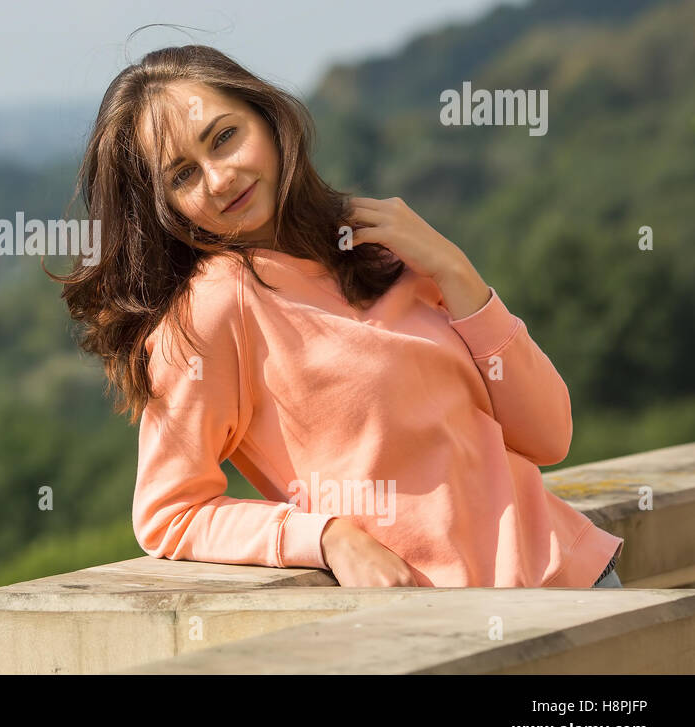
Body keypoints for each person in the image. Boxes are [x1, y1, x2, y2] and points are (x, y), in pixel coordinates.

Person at [49, 44, 623, 587]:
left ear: (268, 119)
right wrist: (324, 536)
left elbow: (549, 436)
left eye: (224, 137)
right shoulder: (216, 308)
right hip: (450, 630)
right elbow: (169, 513)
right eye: (182, 174)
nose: (219, 178)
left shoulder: (382, 243)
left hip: (581, 579)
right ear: (165, 206)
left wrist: (457, 272)